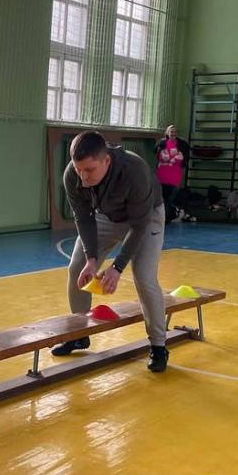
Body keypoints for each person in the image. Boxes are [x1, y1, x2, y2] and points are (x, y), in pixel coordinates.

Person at [53, 131, 170, 373]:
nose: (83, 177)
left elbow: (139, 226)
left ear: (106, 160)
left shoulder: (134, 169)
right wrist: (91, 259)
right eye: (79, 169)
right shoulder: (72, 174)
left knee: (144, 276)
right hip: (106, 216)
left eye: (90, 170)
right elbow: (83, 218)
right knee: (77, 267)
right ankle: (79, 334)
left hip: (145, 217)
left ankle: (159, 345)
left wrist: (117, 267)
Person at [154, 124, 192, 223]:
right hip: (162, 173)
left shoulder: (182, 144)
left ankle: (167, 216)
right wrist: (171, 157)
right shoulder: (161, 143)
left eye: (175, 132)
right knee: (161, 196)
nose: (173, 133)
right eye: (171, 131)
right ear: (167, 133)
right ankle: (162, 217)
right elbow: (161, 156)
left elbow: (181, 158)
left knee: (170, 196)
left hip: (174, 174)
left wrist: (170, 158)